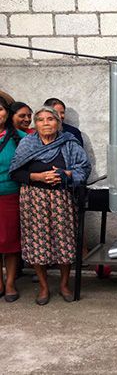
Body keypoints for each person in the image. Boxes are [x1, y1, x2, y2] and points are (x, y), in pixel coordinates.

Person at [9, 106, 91, 305]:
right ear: (35, 125)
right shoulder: (27, 144)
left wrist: (67, 174)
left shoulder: (69, 143)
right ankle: (44, 287)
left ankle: (64, 284)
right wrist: (38, 176)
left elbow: (84, 168)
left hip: (62, 199)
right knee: (37, 242)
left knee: (65, 243)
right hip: (34, 200)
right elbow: (15, 173)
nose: (46, 123)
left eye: (50, 119)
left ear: (58, 123)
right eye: (41, 120)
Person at [0, 97, 26, 302]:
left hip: (10, 195)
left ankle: (10, 283)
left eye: (0, 109)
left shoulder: (21, 138)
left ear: (7, 113)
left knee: (10, 241)